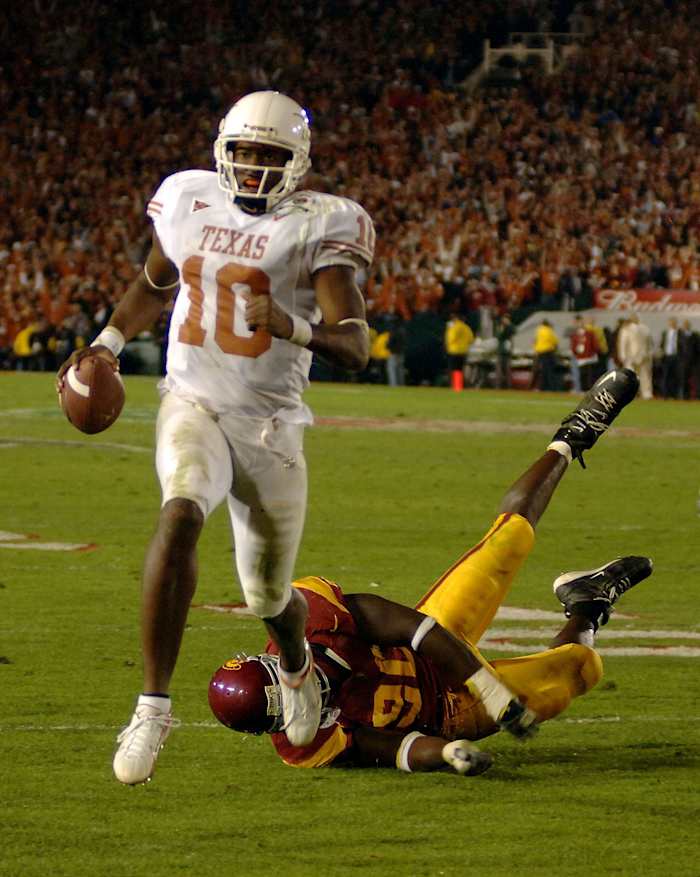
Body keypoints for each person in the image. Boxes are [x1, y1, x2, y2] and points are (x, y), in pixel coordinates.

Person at [56, 91, 374, 785]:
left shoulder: (322, 224)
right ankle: (151, 704)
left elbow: (355, 345)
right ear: (222, 153)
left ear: (297, 162)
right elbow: (151, 283)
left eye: (271, 156)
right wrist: (107, 344)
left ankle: (296, 664)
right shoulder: (186, 199)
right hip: (192, 402)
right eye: (246, 153)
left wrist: (290, 325)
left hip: (270, 425)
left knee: (267, 595)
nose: (256, 169)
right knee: (180, 511)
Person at [209, 369, 651, 775]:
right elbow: (389, 748)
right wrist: (446, 751)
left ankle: (573, 435)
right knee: (581, 668)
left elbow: (411, 625)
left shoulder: (313, 620)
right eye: (285, 712)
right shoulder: (301, 744)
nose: (299, 704)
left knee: (505, 541)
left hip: (432, 640)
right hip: (452, 712)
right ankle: (587, 605)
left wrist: (491, 690)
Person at [617, 313, 653, 400]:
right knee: (630, 376)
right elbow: (623, 344)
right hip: (630, 357)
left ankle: (646, 393)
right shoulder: (626, 329)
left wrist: (649, 354)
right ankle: (629, 394)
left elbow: (649, 344)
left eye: (636, 317)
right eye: (633, 317)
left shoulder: (645, 329)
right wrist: (623, 356)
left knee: (644, 376)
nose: (634, 318)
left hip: (643, 356)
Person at [531, 318, 559, 391]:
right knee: (549, 371)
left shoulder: (538, 330)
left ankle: (540, 387)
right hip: (548, 352)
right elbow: (555, 342)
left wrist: (536, 350)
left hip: (539, 353)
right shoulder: (549, 331)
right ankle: (551, 387)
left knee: (540, 371)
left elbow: (535, 341)